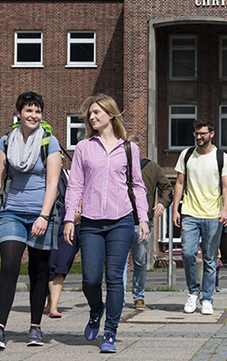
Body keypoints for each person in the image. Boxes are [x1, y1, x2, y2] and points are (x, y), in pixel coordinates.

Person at [63, 93, 150, 353]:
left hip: (121, 221)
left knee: (114, 278)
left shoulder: (129, 148)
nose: (92, 117)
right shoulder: (83, 148)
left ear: (111, 115)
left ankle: (110, 332)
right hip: (90, 221)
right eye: (90, 114)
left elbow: (137, 185)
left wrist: (142, 218)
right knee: (90, 278)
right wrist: (69, 217)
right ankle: (96, 309)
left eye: (97, 112)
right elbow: (75, 184)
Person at [0, 92, 62, 350]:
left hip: (41, 214)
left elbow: (52, 183)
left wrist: (44, 216)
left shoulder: (50, 142)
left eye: (38, 111)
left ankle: (35, 327)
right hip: (12, 212)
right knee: (10, 266)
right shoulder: (6, 141)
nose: (34, 115)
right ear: (18, 113)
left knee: (38, 271)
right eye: (29, 110)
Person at [172, 118, 227, 315]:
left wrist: (225, 210)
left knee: (209, 258)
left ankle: (207, 298)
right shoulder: (187, 155)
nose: (199, 137)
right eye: (197, 134)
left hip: (213, 215)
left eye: (203, 134)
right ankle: (192, 292)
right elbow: (180, 183)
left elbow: (226, 187)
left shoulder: (221, 157)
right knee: (188, 254)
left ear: (211, 134)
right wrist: (175, 209)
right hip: (189, 212)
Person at [123, 157, 172, 310]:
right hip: (120, 221)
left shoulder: (152, 167)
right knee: (119, 262)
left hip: (142, 223)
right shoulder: (118, 164)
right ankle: (118, 296)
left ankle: (139, 296)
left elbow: (167, 187)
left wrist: (162, 203)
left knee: (139, 261)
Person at [45, 205, 81, 319]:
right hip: (47, 217)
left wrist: (79, 210)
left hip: (69, 218)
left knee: (61, 262)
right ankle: (49, 300)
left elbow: (80, 188)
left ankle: (53, 307)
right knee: (46, 263)